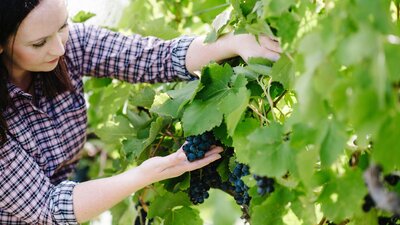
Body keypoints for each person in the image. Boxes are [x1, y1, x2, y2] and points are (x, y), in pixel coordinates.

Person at [0, 0, 282, 224]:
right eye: (39, 43)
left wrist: (233, 43)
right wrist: (146, 173)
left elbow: (152, 57)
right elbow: (47, 207)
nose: (60, 47)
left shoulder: (70, 45)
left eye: (62, 26)